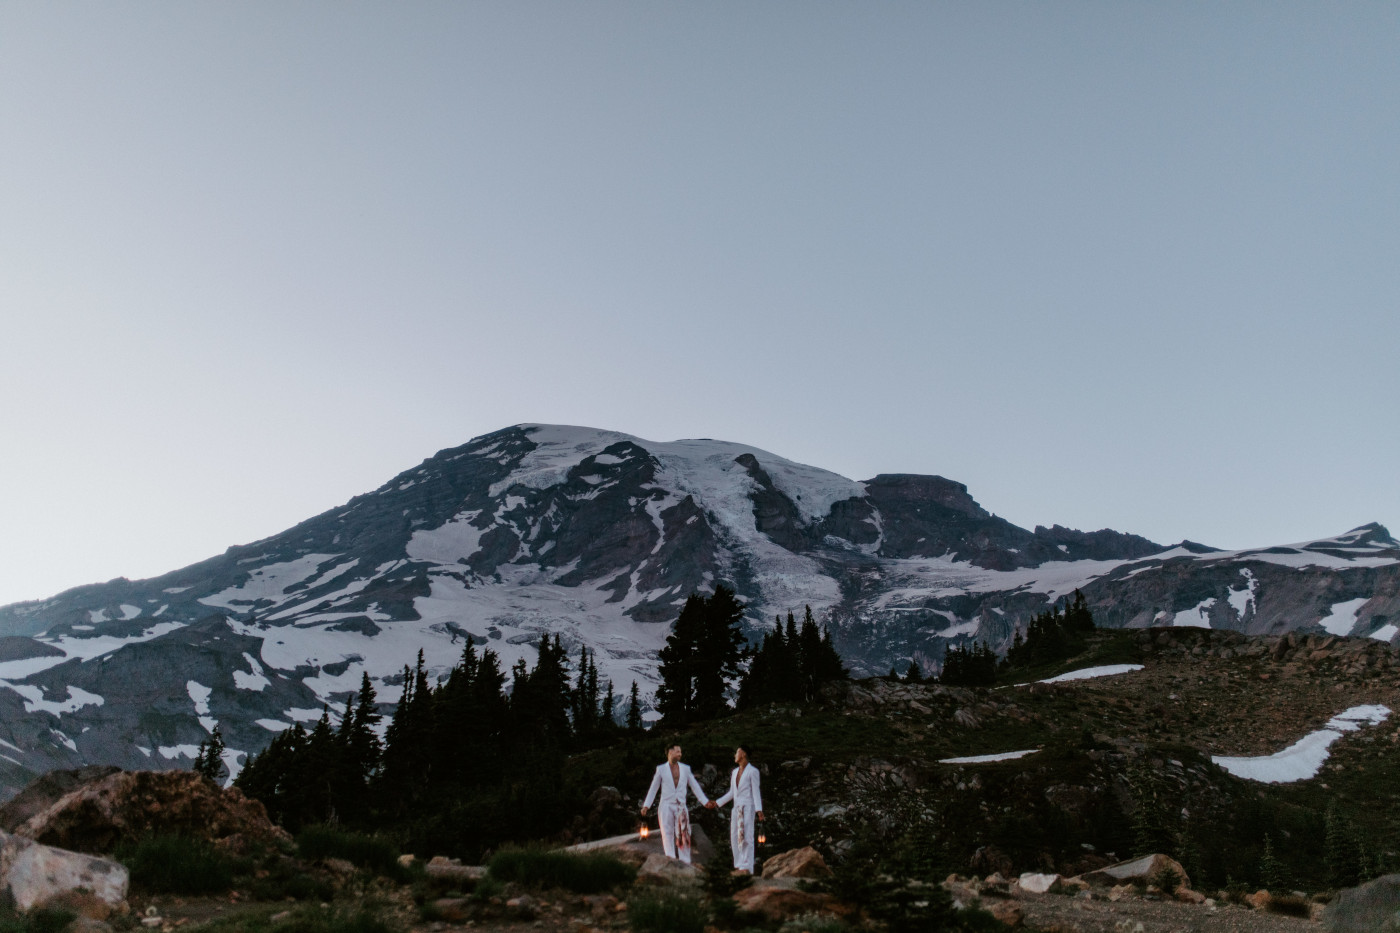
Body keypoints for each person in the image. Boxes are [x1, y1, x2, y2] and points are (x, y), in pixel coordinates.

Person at [640, 743, 714, 864]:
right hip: (666, 805)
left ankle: (685, 862)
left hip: (681, 805)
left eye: (680, 751)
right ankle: (670, 860)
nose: (680, 754)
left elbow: (694, 785)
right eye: (678, 751)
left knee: (683, 834)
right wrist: (646, 805)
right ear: (670, 752)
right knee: (667, 834)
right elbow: (654, 788)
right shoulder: (661, 769)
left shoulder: (685, 768)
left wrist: (705, 801)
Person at [714, 745, 764, 873]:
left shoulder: (753, 771)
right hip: (736, 808)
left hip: (748, 807)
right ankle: (738, 865)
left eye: (737, 752)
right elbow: (732, 793)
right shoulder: (734, 772)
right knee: (735, 836)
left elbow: (756, 792)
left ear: (743, 754)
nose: (735, 755)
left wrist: (759, 810)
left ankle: (747, 867)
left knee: (747, 837)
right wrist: (717, 803)